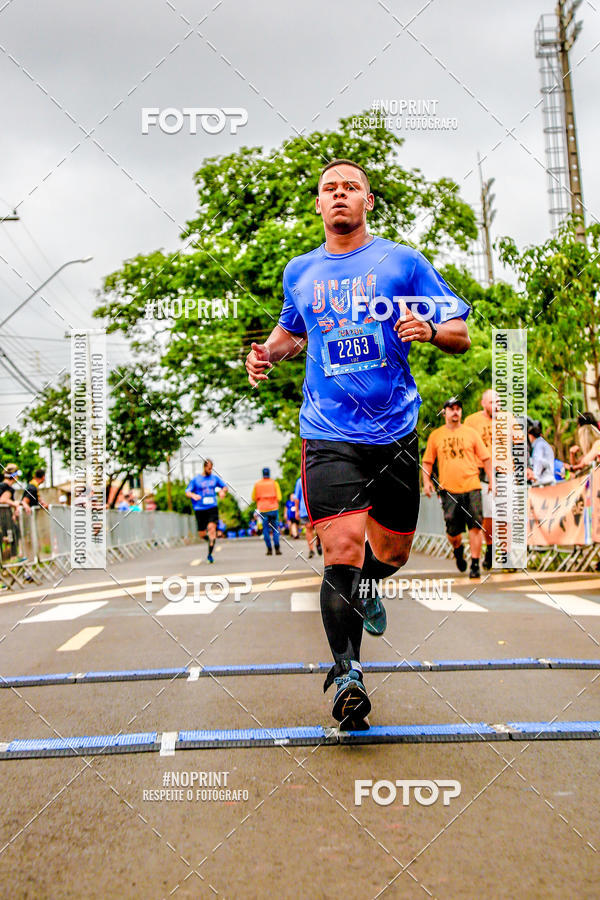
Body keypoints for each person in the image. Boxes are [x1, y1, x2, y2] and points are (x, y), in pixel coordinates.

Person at [245, 158, 471, 729]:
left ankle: (370, 586)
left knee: (391, 554)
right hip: (327, 431)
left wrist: (430, 331)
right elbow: (292, 332)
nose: (340, 194)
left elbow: (461, 333)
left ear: (368, 201)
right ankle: (348, 676)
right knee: (340, 551)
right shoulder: (300, 271)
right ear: (319, 203)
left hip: (394, 430)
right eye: (330, 188)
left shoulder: (403, 262)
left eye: (351, 187)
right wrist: (267, 353)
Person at [422, 398, 492, 580]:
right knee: (453, 532)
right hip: (449, 490)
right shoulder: (436, 435)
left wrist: (492, 480)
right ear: (444, 412)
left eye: (458, 409)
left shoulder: (471, 433)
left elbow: (486, 458)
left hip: (472, 486)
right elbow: (427, 462)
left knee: (476, 526)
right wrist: (426, 482)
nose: (455, 412)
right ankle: (458, 551)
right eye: (451, 408)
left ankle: (475, 564)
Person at [185, 459, 228, 563]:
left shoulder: (214, 478)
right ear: (204, 467)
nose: (210, 470)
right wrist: (193, 495)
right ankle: (210, 540)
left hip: (212, 507)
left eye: (211, 468)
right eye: (209, 468)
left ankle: (209, 555)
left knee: (212, 529)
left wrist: (222, 491)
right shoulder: (196, 480)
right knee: (202, 534)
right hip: (200, 509)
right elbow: (187, 492)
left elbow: (225, 487)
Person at [251, 467, 282, 556]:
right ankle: (277, 548)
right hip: (273, 509)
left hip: (263, 510)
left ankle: (269, 549)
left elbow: (253, 498)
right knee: (275, 529)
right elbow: (279, 497)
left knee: (265, 530)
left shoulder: (257, 484)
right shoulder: (274, 483)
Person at [294, 474, 322, 558]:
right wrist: (297, 510)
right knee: (314, 528)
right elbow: (297, 498)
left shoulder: (300, 481)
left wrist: (297, 510)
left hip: (307, 508)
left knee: (311, 529)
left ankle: (315, 546)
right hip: (313, 508)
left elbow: (296, 498)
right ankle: (313, 548)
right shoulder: (316, 479)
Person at [526, 421, 555, 486]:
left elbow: (539, 461)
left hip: (545, 481)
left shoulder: (538, 445)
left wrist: (535, 476)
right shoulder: (542, 443)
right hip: (548, 479)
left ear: (530, 435)